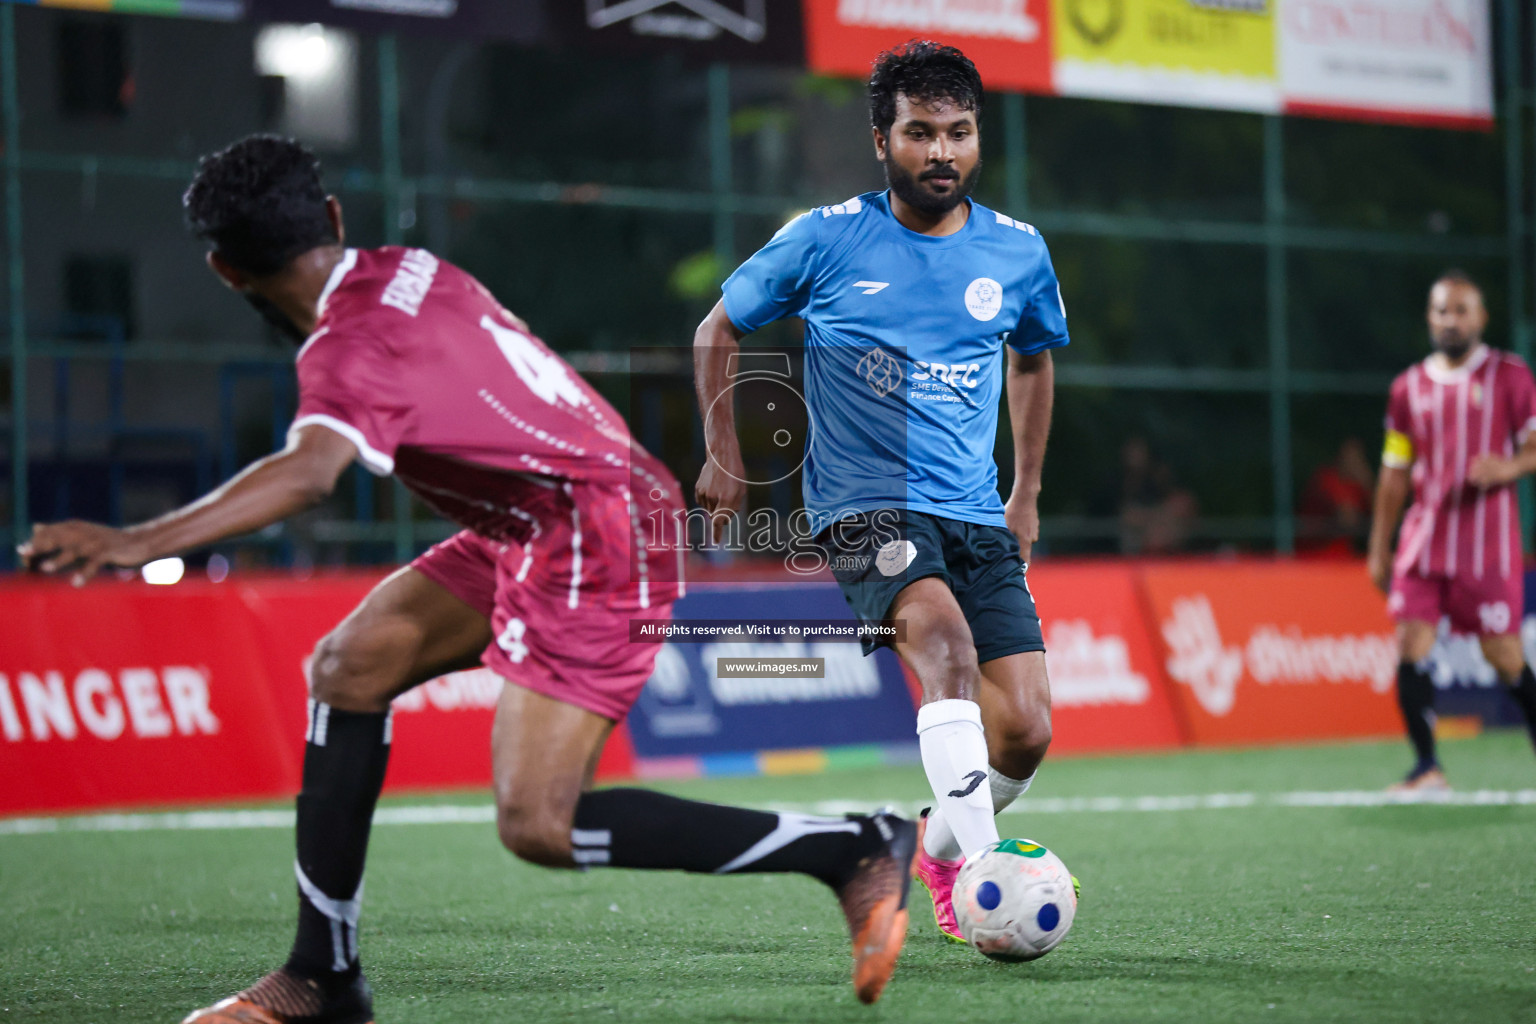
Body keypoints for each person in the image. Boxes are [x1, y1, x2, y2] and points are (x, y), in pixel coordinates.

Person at [19, 135, 917, 1022]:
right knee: (349, 666)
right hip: (540, 518)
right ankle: (322, 976)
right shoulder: (408, 268)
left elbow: (309, 472)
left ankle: (849, 846)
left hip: (590, 533)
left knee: (539, 823)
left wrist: (139, 539)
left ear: (224, 271)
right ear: (332, 216)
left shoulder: (344, 353)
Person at [693, 41, 1069, 944]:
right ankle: (987, 871)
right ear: (882, 140)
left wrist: (1025, 492)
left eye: (960, 133)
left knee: (1024, 730)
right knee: (943, 650)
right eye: (920, 133)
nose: (942, 152)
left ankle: (936, 847)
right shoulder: (825, 237)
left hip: (976, 512)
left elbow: (1033, 360)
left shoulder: (1017, 252)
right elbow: (719, 327)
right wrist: (722, 452)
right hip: (863, 504)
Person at [1367, 269, 1536, 791]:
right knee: (1410, 645)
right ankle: (1427, 767)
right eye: (1443, 310)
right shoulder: (1407, 389)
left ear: (1481, 317)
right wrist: (1378, 548)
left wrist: (1508, 467)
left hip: (1487, 547)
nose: (1451, 320)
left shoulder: (1511, 376)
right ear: (1429, 317)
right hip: (1424, 542)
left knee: (1503, 655)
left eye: (1462, 310)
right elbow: (1394, 475)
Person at [1297, 437, 1373, 557]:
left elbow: (1388, 516)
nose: (1355, 461)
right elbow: (1349, 519)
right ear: (1340, 456)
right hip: (1315, 556)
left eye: (1358, 457)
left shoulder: (1357, 485)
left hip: (1343, 556)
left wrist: (1367, 482)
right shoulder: (1326, 478)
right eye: (1350, 456)